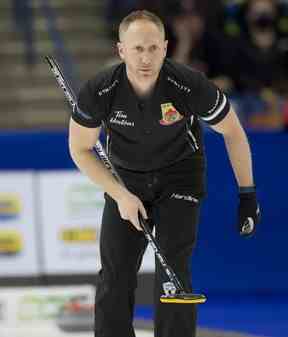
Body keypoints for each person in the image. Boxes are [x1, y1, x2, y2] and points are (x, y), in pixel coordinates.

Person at [69, 10, 261, 337]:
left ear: (166, 47)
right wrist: (120, 194)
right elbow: (80, 149)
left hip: (180, 176)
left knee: (172, 269)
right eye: (137, 48)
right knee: (115, 274)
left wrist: (247, 195)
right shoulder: (100, 90)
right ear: (121, 50)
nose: (146, 57)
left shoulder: (187, 84)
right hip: (125, 179)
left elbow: (234, 133)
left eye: (153, 48)